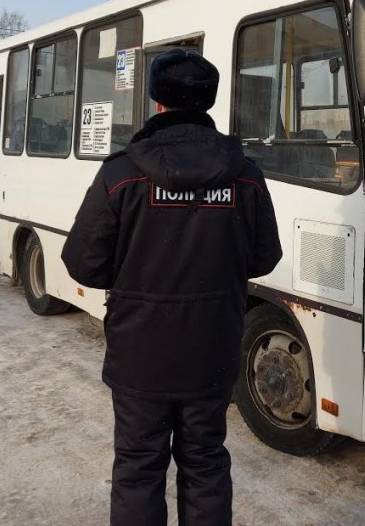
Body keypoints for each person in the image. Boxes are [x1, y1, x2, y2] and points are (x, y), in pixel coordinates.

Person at [61, 48, 282, 526]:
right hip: (211, 350)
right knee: (205, 463)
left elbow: (82, 264)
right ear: (208, 102)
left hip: (140, 355)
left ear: (157, 101)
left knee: (139, 469)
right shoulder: (246, 175)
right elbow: (265, 258)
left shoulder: (122, 173)